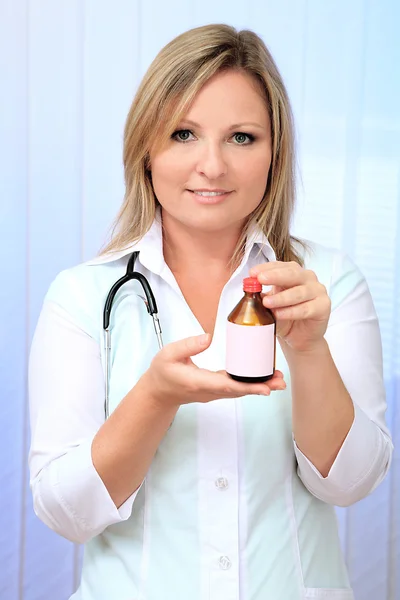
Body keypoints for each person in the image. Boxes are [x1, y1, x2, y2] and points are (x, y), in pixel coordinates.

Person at [28, 23, 393, 600]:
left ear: (276, 153)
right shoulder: (80, 297)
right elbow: (66, 514)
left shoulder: (329, 284)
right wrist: (154, 397)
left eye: (242, 137)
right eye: (183, 134)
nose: (213, 166)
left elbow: (350, 485)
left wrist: (309, 350)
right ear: (146, 149)